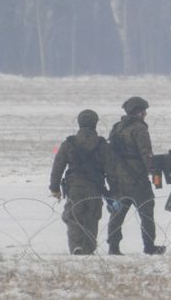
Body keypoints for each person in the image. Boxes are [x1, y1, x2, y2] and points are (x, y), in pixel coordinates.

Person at [106, 96, 165, 255]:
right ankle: (149, 246)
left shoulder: (117, 128)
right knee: (146, 214)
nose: (145, 114)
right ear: (139, 112)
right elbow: (146, 153)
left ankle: (113, 247)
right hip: (137, 178)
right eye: (144, 111)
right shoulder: (139, 129)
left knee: (117, 215)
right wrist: (154, 171)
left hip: (119, 178)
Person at [49, 109, 113, 255]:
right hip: (95, 187)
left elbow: (58, 167)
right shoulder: (102, 144)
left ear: (79, 123)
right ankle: (89, 248)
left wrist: (54, 187)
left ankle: (76, 246)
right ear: (95, 123)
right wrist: (112, 191)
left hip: (74, 186)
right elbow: (111, 169)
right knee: (92, 217)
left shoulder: (69, 143)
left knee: (74, 216)